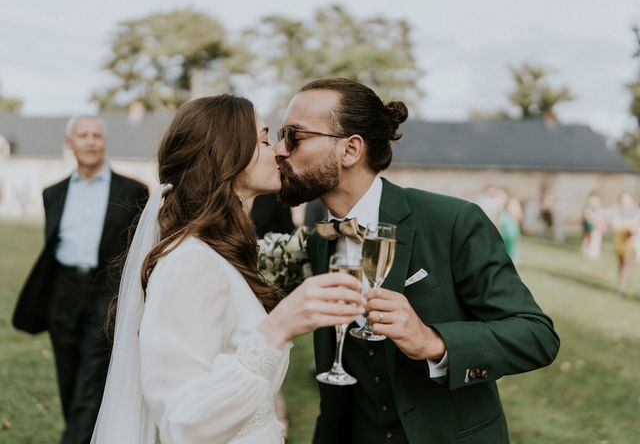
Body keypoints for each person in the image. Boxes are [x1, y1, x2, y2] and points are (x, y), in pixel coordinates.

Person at [275, 78, 560, 444]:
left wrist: (433, 342)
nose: (281, 150)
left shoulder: (452, 221)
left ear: (350, 150)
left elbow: (537, 336)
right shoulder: (320, 241)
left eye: (294, 136)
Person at [91, 95, 364, 444]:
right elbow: (182, 420)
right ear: (228, 156)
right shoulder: (191, 262)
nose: (279, 150)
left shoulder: (222, 255)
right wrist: (279, 327)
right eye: (265, 140)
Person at [12, 115, 148, 444]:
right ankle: (84, 434)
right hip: (63, 293)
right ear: (70, 143)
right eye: (83, 135)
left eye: (96, 136)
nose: (90, 141)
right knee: (70, 380)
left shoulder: (131, 191)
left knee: (91, 380)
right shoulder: (52, 193)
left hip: (105, 293)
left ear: (104, 142)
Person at [610, 192, 640, 297]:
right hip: (619, 240)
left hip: (629, 241)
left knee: (627, 264)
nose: (625, 202)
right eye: (623, 199)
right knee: (621, 263)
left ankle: (623, 285)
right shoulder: (616, 210)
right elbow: (614, 225)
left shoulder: (635, 211)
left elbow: (635, 226)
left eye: (627, 199)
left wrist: (624, 224)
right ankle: (621, 283)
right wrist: (627, 224)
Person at [581, 191, 605, 260]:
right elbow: (587, 215)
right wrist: (594, 221)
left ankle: (594, 252)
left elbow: (601, 216)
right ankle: (587, 252)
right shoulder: (588, 207)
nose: (594, 201)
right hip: (590, 226)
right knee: (588, 238)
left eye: (596, 199)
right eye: (592, 199)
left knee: (596, 239)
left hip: (596, 226)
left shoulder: (598, 207)